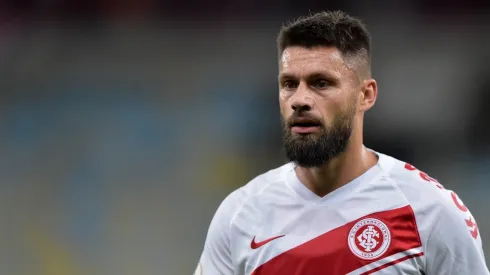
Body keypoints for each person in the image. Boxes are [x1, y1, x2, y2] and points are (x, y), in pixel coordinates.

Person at [194, 10, 489, 275]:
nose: (300, 100)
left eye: (321, 83)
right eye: (289, 84)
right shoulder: (239, 213)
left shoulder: (430, 210)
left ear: (366, 95)